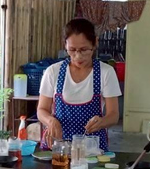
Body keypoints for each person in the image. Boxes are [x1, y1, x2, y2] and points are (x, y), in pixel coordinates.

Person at [37, 18, 121, 151]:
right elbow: (41, 110)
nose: (77, 56)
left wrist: (102, 122)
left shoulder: (106, 73)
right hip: (58, 146)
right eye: (72, 50)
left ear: (95, 43)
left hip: (91, 148)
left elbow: (113, 115)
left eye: (84, 50)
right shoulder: (53, 72)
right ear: (65, 45)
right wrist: (50, 121)